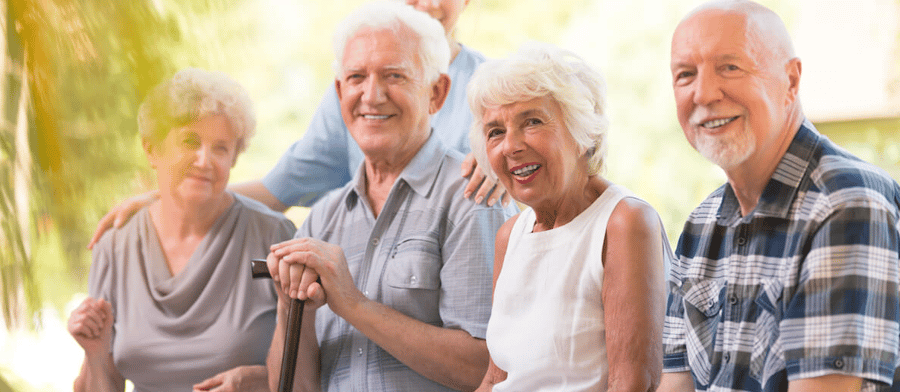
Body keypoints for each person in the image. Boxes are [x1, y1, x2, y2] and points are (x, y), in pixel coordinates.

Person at [87, 0, 507, 249]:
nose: (427, 2)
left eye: (395, 76)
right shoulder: (354, 95)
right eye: (359, 79)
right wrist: (170, 197)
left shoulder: (499, 90)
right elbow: (276, 190)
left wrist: (506, 164)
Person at [263, 2, 517, 391]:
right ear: (339, 91)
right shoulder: (322, 220)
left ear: (437, 93)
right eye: (356, 77)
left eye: (394, 76)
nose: (372, 95)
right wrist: (290, 308)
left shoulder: (473, 199)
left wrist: (353, 304)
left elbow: (486, 370)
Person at [658, 1, 900, 391]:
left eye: (730, 67)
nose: (703, 93)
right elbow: (675, 386)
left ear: (790, 80)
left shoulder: (847, 204)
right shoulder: (700, 225)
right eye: (686, 75)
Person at [67, 68, 296, 392]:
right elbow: (104, 383)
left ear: (233, 158)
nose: (205, 160)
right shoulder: (116, 246)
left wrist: (258, 380)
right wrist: (94, 354)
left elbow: (309, 372)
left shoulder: (272, 236)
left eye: (221, 148)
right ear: (151, 149)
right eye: (190, 141)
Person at [467, 42, 669, 391]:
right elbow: (495, 378)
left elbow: (632, 383)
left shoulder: (624, 222)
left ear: (583, 134)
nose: (510, 146)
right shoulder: (510, 235)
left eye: (531, 122)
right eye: (495, 131)